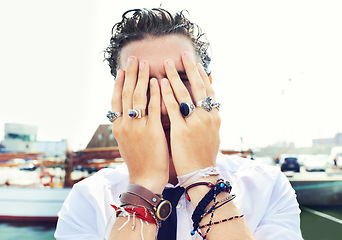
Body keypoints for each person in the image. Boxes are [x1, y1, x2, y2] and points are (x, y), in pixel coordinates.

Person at [55, 8, 303, 240]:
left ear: (207, 87)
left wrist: (201, 177)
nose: (164, 106)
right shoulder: (88, 199)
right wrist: (144, 186)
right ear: (120, 97)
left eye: (180, 80)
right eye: (142, 85)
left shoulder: (266, 188)